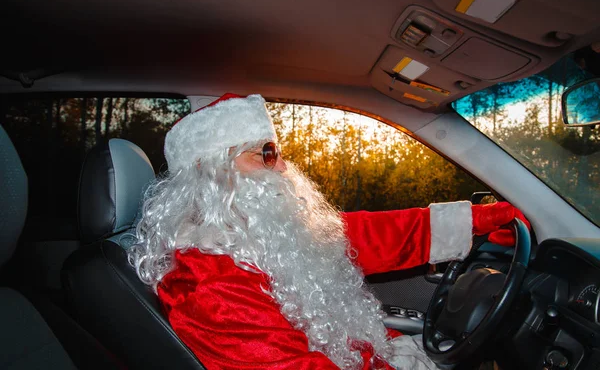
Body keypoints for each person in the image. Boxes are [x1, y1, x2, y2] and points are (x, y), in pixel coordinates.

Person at [129, 93, 528, 370]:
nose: (283, 167)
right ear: (214, 175)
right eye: (267, 154)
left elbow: (372, 235)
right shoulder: (207, 283)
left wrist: (483, 220)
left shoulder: (259, 233)